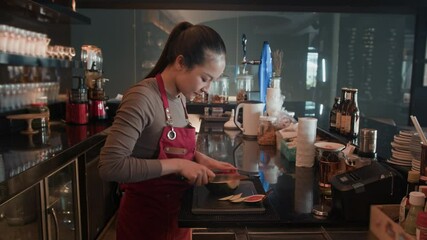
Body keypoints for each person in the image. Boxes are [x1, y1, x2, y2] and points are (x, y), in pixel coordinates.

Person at [98, 21, 236, 240]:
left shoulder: (179, 97)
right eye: (205, 78)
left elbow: (161, 148)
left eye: (212, 81)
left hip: (177, 220)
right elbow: (110, 167)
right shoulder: (142, 98)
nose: (207, 88)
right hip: (145, 225)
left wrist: (200, 159)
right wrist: (180, 165)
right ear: (181, 62)